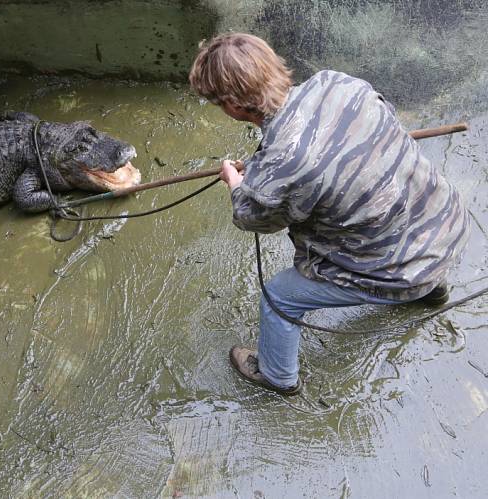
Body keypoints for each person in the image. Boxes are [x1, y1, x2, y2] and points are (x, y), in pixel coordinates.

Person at [189, 33, 469, 395]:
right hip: (446, 224)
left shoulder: (281, 165)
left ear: (232, 105)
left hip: (400, 271)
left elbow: (254, 219)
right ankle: (433, 292)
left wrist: (236, 183)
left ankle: (277, 377)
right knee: (399, 221)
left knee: (279, 295)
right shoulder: (338, 83)